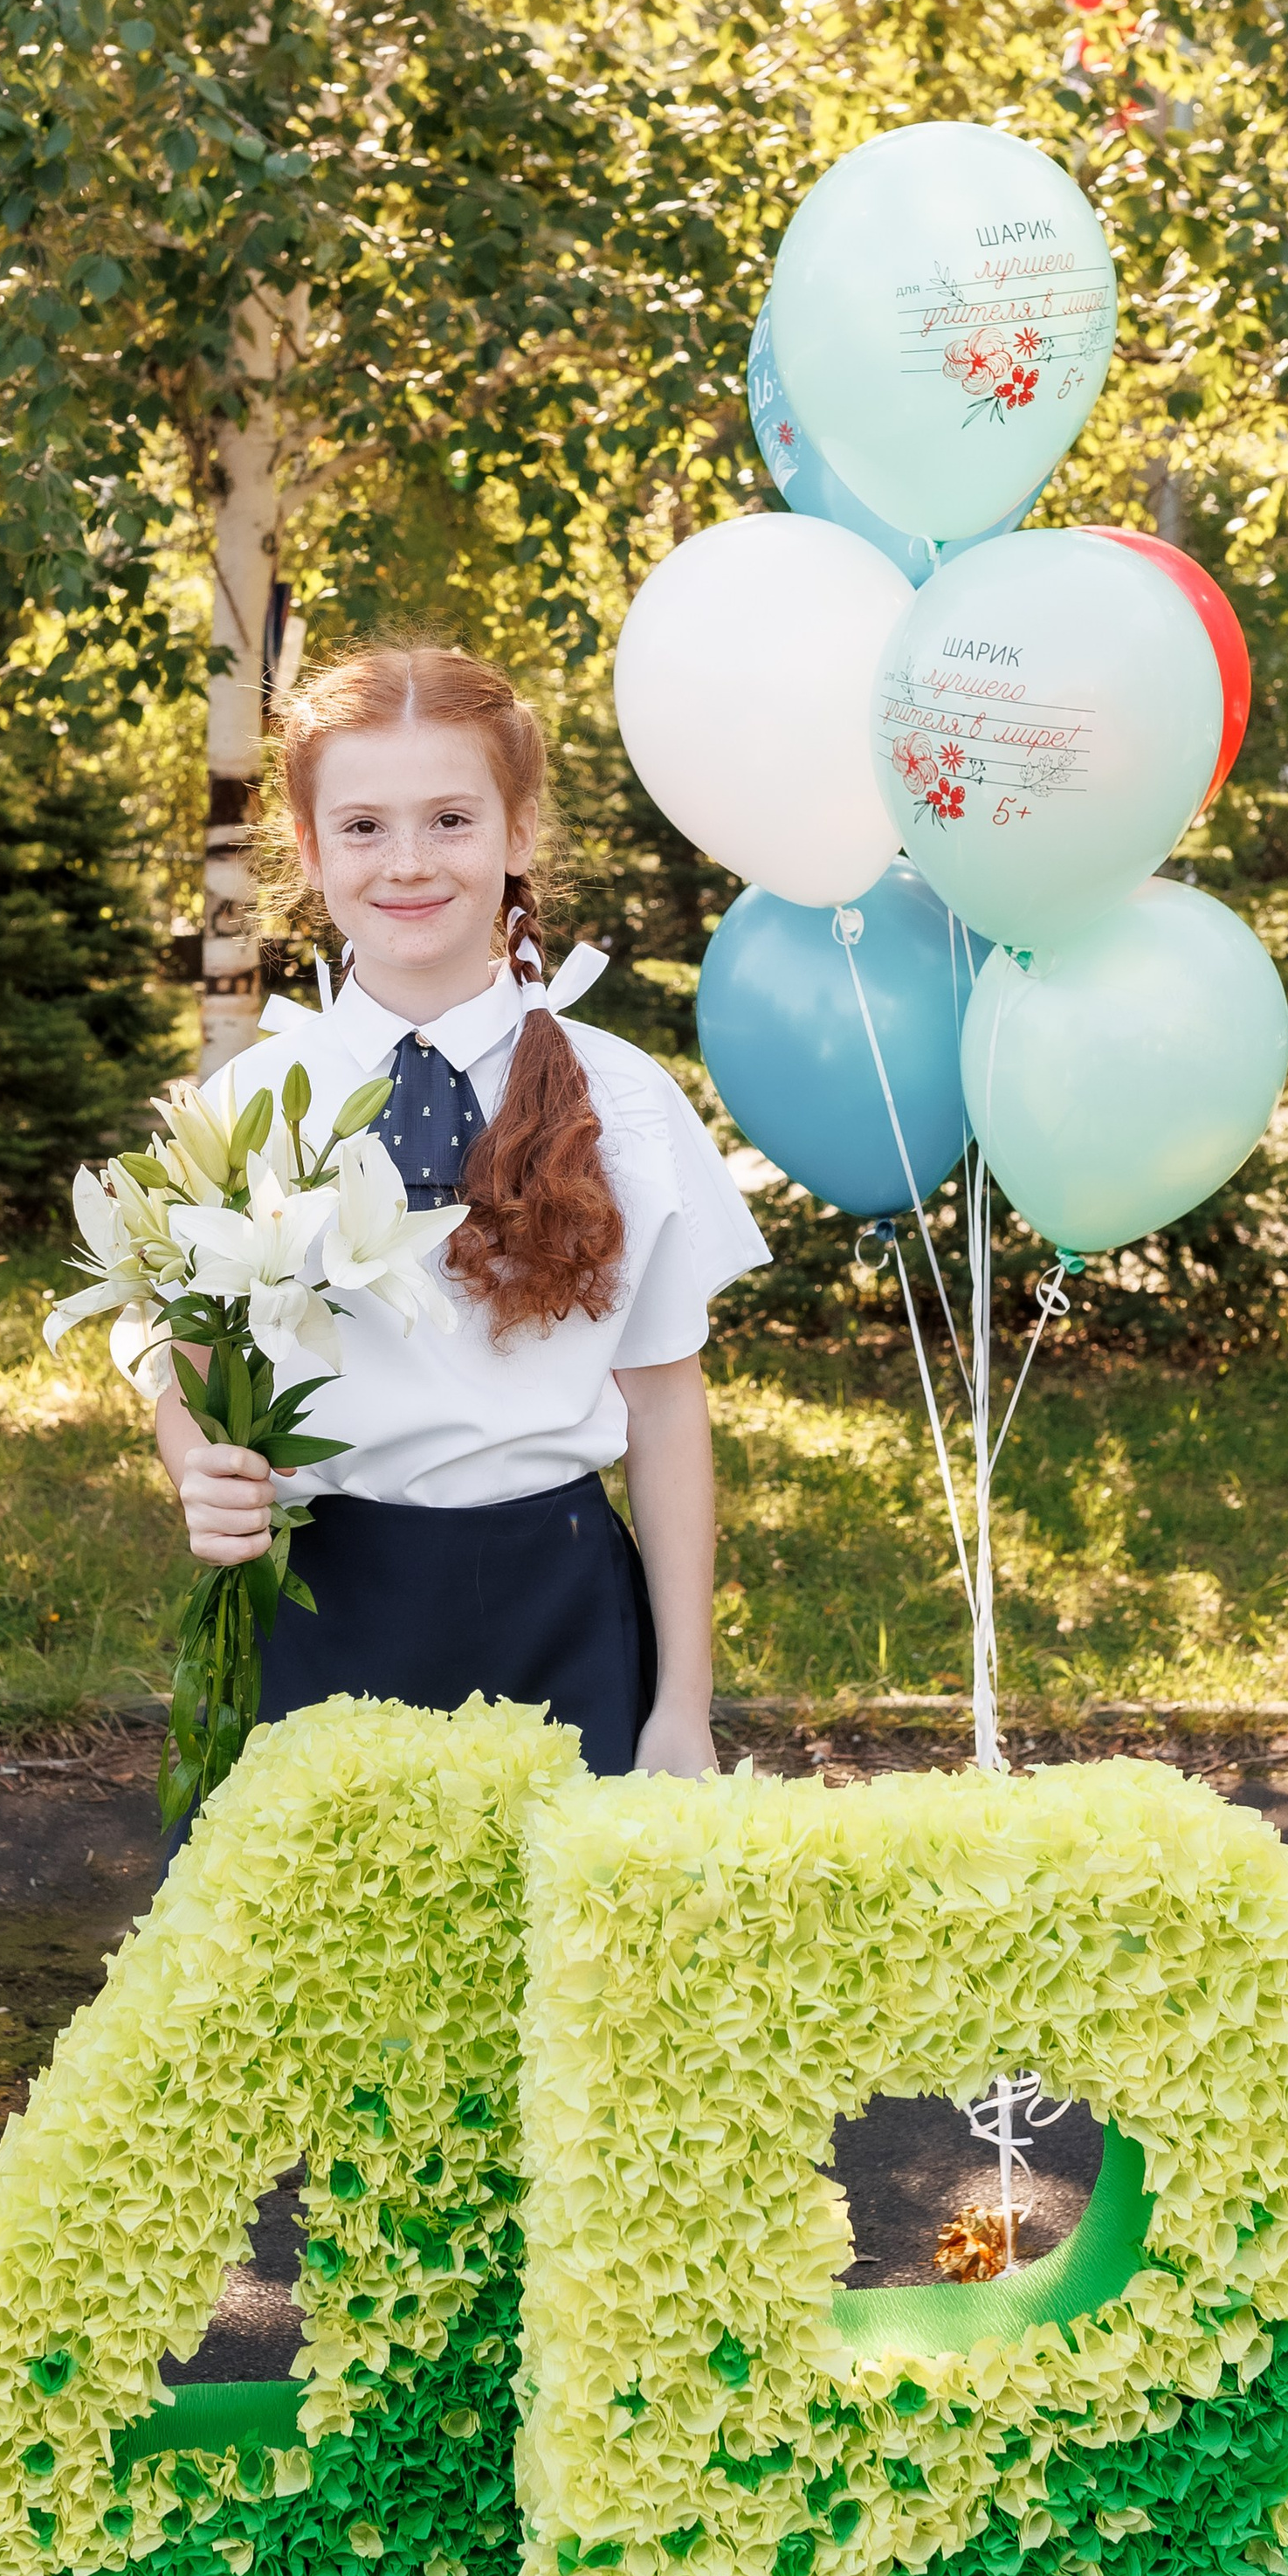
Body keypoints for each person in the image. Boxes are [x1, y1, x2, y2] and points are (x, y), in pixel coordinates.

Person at [154, 644, 767, 1822]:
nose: (409, 862)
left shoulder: (623, 1098)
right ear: (310, 847)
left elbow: (666, 1409)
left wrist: (682, 1706)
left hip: (562, 1616)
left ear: (518, 831)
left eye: (450, 818)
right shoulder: (245, 1107)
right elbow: (186, 1372)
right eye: (365, 827)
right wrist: (197, 1468)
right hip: (317, 1611)